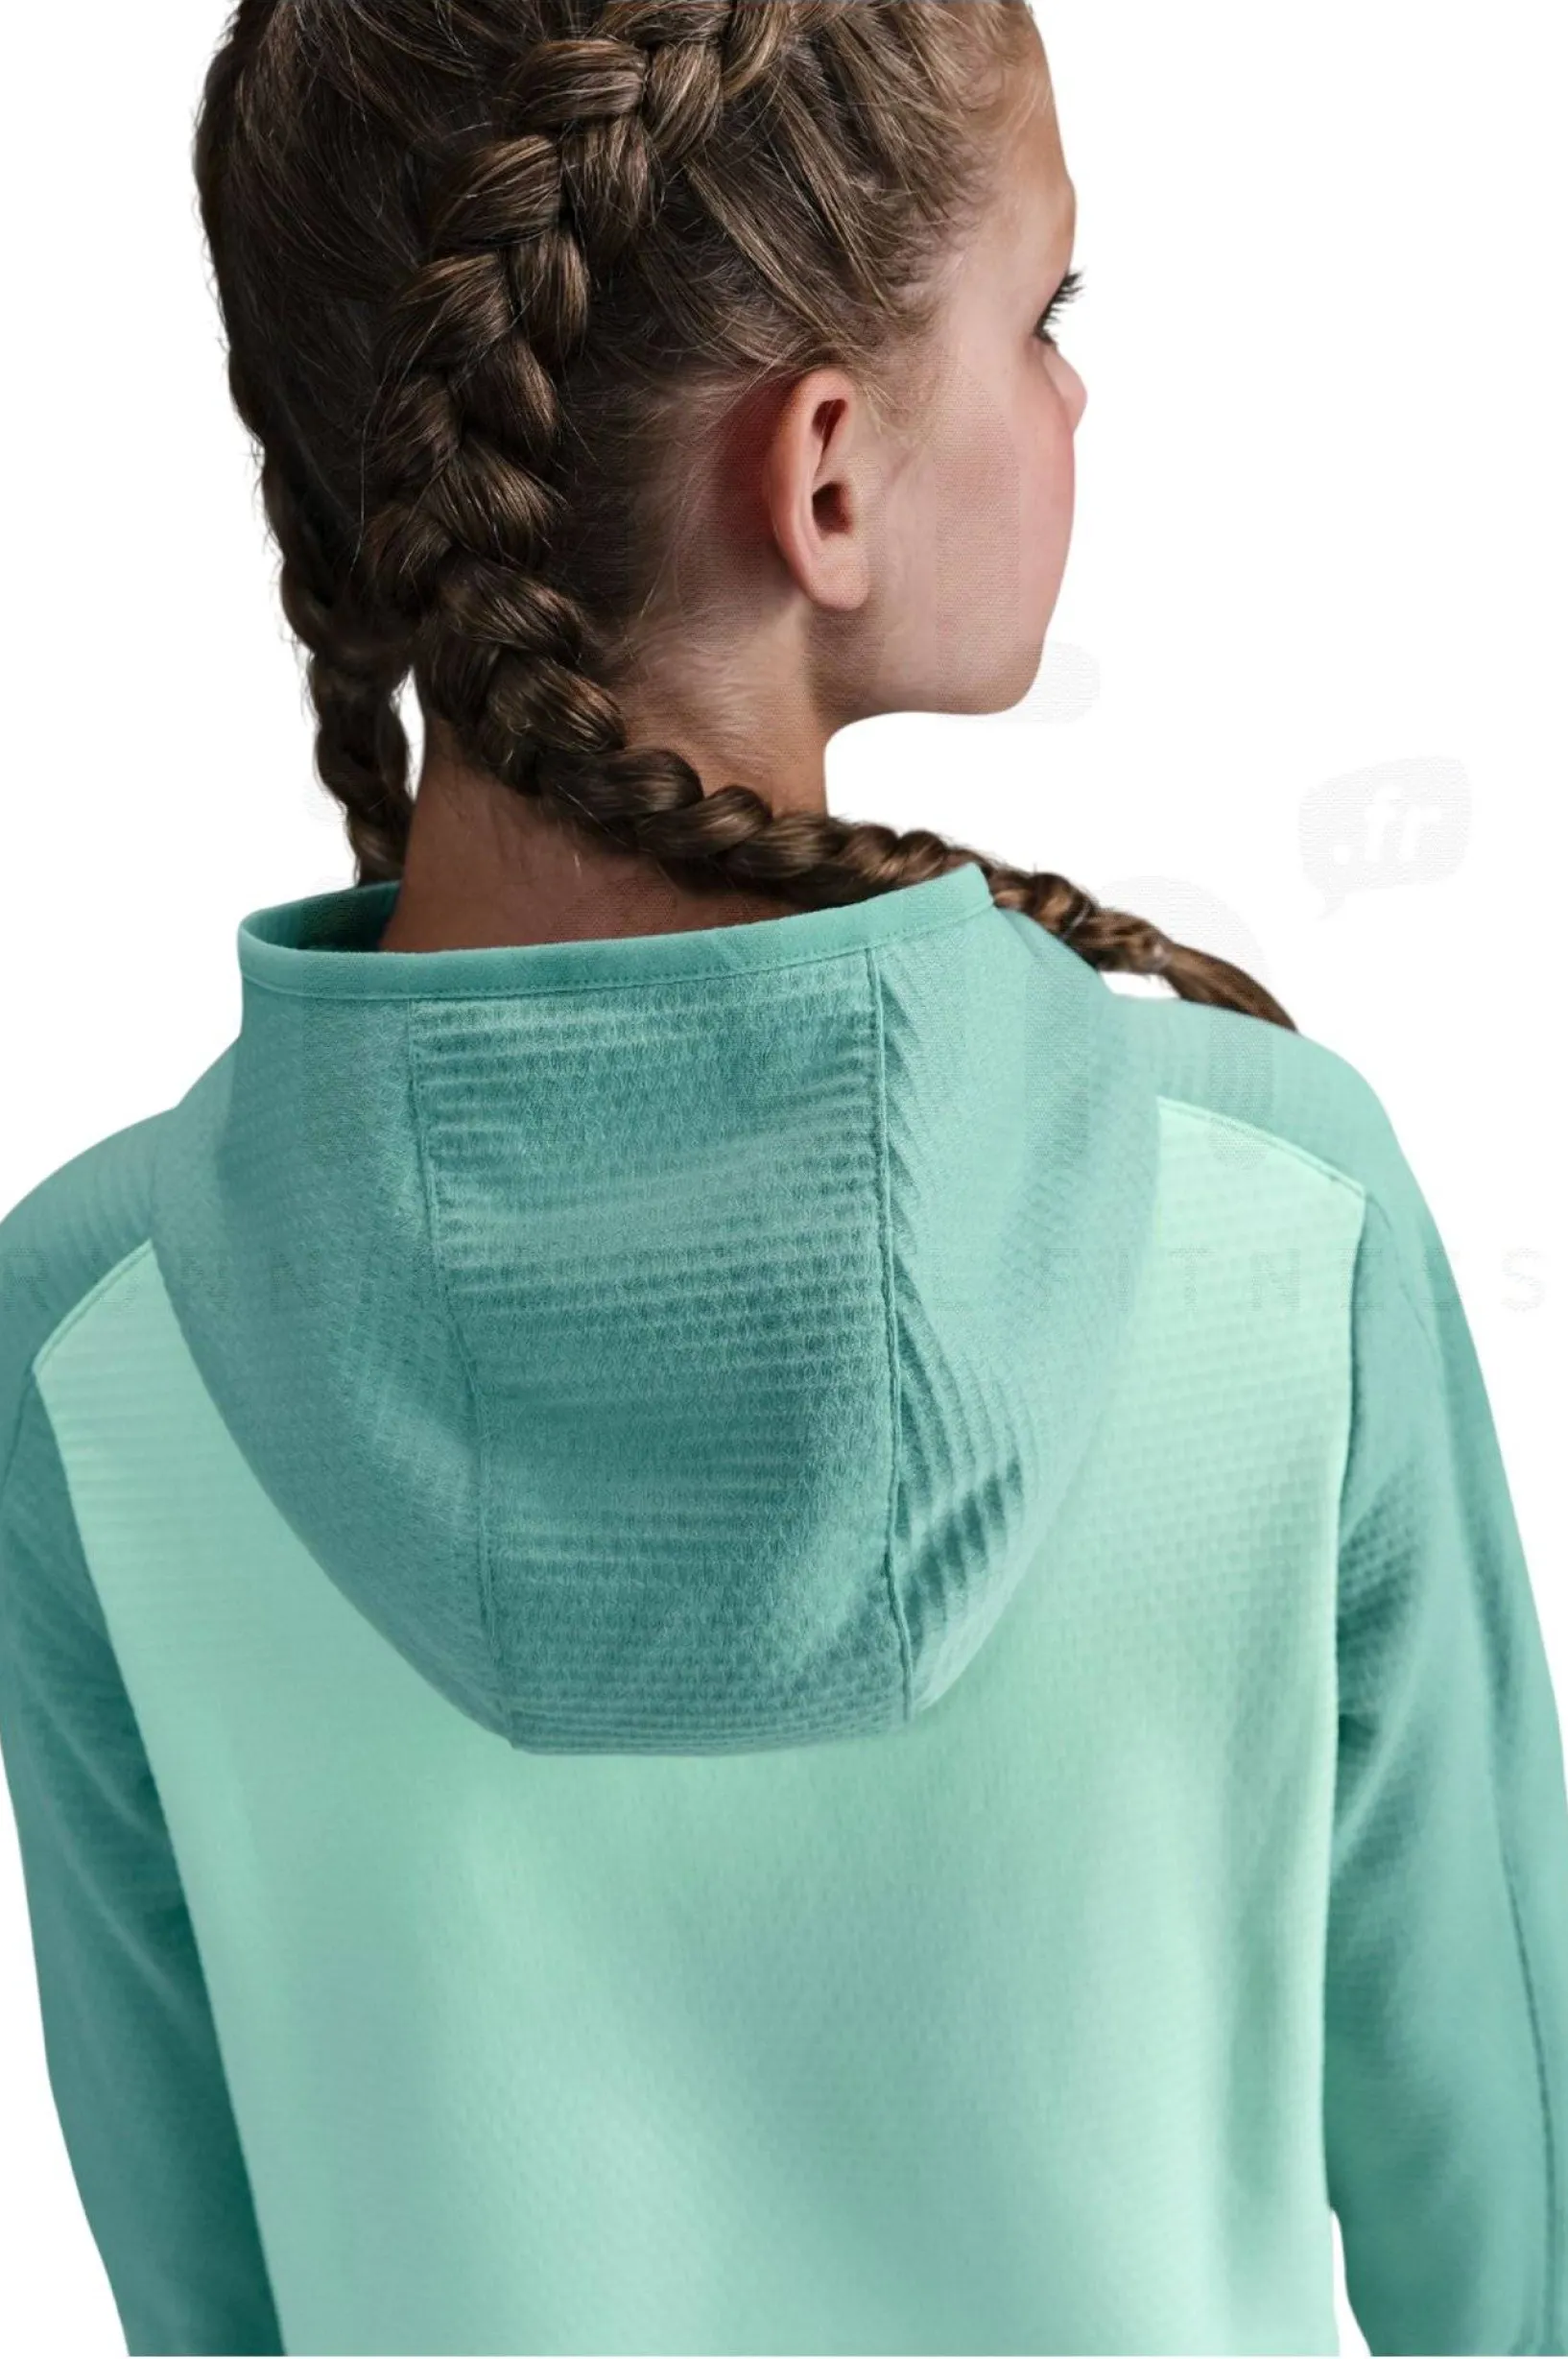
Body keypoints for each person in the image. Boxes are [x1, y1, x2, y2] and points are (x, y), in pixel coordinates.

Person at [0, 4, 1563, 2353]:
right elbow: (1513, 2245)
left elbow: (205, 2297)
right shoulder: (1274, 1236)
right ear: (822, 474)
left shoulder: (95, 1354)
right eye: (1042, 315)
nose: (1070, 396)